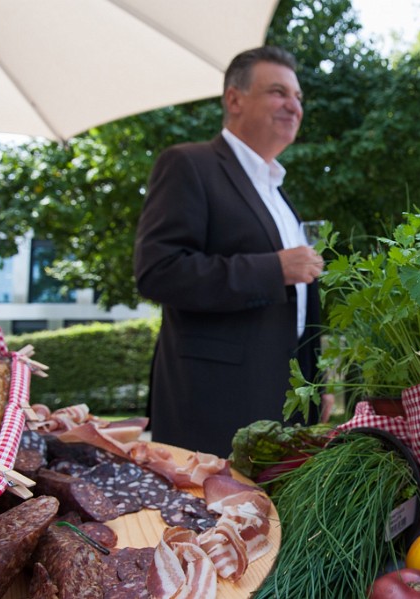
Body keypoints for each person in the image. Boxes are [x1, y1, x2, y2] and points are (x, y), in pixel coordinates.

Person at [133, 45, 331, 458]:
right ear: (234, 99)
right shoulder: (188, 164)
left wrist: (317, 384)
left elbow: (297, 311)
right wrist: (273, 270)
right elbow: (158, 271)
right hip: (213, 408)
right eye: (278, 92)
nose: (294, 106)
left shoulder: (279, 194)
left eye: (298, 97)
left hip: (285, 408)